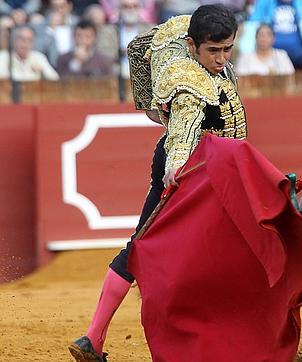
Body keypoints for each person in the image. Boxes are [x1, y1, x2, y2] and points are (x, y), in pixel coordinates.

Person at [68, 5, 247, 361]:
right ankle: (96, 337)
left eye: (227, 49)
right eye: (213, 50)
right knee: (152, 250)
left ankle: (94, 338)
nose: (221, 58)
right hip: (191, 175)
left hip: (206, 172)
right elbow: (184, 130)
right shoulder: (188, 85)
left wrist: (149, 103)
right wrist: (177, 166)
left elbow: (141, 46)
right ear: (194, 46)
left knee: (148, 247)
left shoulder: (183, 40)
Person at [239, 0, 302, 71]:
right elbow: (251, 30)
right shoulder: (264, 3)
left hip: (299, 52)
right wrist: (246, 54)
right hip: (271, 51)